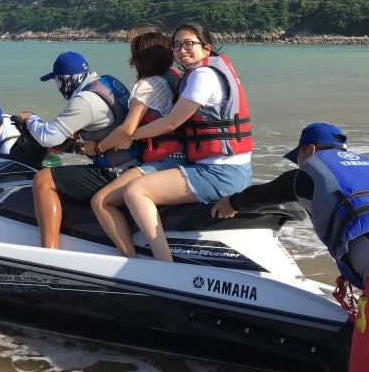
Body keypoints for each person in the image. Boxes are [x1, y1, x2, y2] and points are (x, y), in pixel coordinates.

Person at [212, 122, 369, 372]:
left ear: (309, 151)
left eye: (298, 157)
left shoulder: (307, 174)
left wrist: (227, 204)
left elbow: (260, 195)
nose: (299, 164)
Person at [116, 23, 253, 261]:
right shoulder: (211, 70)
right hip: (233, 168)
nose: (182, 50)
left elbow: (171, 123)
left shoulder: (202, 76)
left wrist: (131, 136)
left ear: (206, 47)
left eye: (189, 44)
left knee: (135, 191)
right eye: (177, 45)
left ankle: (163, 263)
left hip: (219, 172)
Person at [17, 51, 138, 248]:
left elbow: (48, 137)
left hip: (116, 170)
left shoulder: (85, 100)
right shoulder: (108, 83)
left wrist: (31, 119)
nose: (58, 87)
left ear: (65, 80)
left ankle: (49, 253)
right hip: (134, 161)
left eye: (57, 81)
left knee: (43, 179)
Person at [88, 29, 184, 256]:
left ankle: (129, 259)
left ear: (139, 60)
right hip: (184, 156)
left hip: (165, 161)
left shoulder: (147, 85)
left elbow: (127, 129)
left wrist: (99, 147)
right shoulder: (174, 77)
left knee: (101, 201)